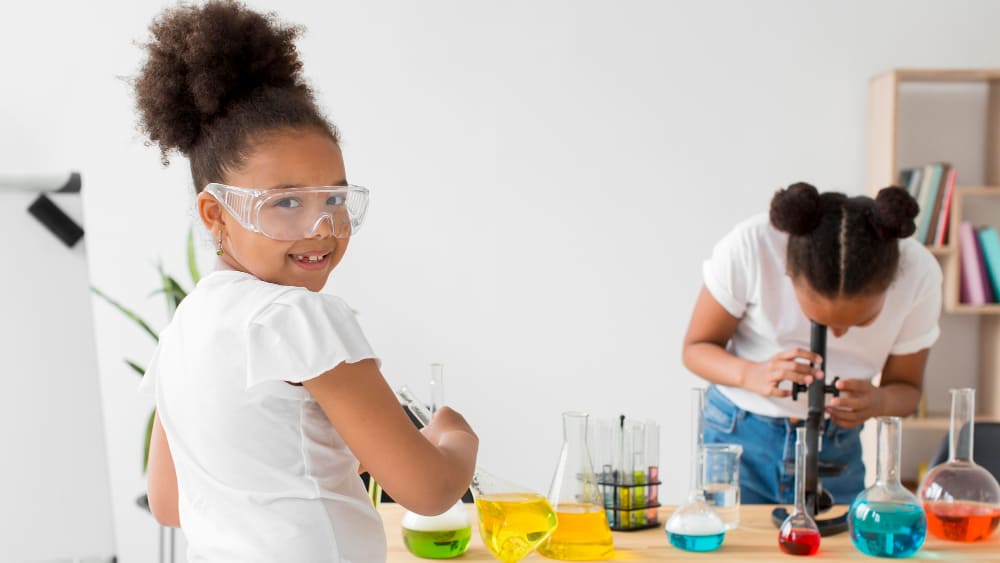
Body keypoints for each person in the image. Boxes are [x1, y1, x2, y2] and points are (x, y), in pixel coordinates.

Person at [134, 2, 478, 561]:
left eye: (335, 199)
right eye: (287, 202)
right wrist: (454, 439)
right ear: (215, 215)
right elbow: (430, 490)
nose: (322, 227)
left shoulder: (184, 328)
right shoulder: (300, 317)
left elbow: (169, 503)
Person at [682, 182, 941, 505]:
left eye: (860, 322)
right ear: (788, 273)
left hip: (837, 446)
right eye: (819, 318)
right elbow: (695, 348)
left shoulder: (919, 274)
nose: (838, 335)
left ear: (891, 285)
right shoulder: (754, 246)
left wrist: (878, 401)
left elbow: (907, 391)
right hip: (739, 436)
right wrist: (752, 374)